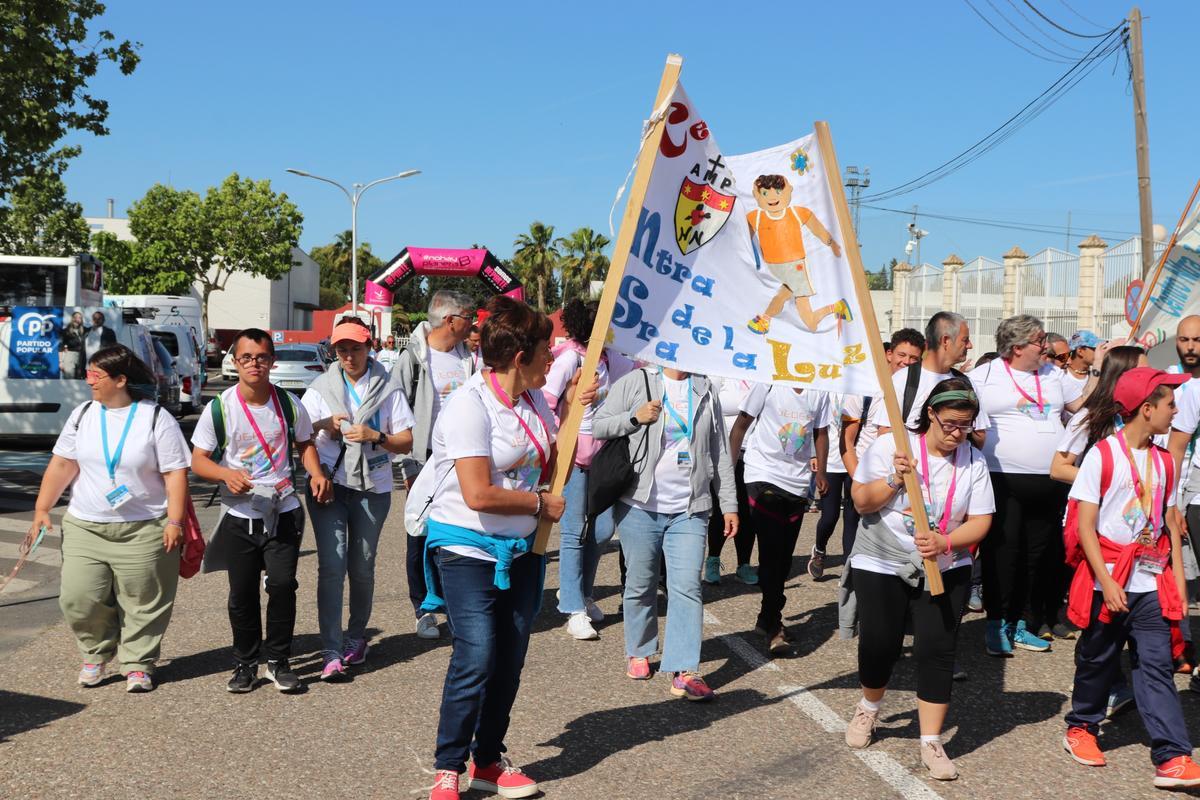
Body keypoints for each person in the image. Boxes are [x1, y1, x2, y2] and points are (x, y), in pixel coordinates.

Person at [411, 296, 564, 800]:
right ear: (521, 355)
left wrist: (586, 409)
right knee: (477, 654)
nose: (554, 357)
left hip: (521, 549)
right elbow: (478, 493)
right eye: (547, 349)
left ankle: (489, 760)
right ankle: (447, 766)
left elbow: (551, 454)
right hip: (466, 548)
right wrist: (538, 502)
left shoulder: (535, 399)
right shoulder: (468, 406)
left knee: (511, 656)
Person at [843, 378, 994, 781]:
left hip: (946, 561)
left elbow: (981, 521)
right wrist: (895, 479)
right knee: (880, 643)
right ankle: (869, 708)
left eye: (966, 425)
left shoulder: (973, 462)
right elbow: (861, 502)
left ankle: (931, 740)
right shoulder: (893, 445)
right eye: (950, 424)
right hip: (883, 556)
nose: (958, 433)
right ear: (930, 414)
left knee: (938, 649)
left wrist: (946, 541)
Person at [1061, 367, 1200, 789]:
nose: (1175, 412)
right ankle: (1081, 726)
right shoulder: (1102, 455)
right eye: (1170, 404)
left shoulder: (1165, 462)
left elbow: (1166, 527)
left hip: (1150, 580)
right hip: (1111, 578)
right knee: (1097, 659)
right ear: (1146, 408)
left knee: (1156, 666)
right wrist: (1107, 579)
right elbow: (1085, 526)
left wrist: (1176, 585)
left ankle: (1173, 756)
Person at [28, 344, 190, 692]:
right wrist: (42, 509)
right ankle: (96, 652)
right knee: (78, 597)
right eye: (87, 374)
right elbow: (62, 464)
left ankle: (139, 663)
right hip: (86, 526)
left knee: (144, 601)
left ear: (120, 379)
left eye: (95, 375)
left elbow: (175, 473)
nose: (89, 382)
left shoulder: (155, 417)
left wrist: (174, 522)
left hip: (144, 528)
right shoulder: (83, 413)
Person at [191, 328, 332, 694]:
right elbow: (199, 461)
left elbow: (305, 444)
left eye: (262, 357)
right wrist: (226, 474)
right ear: (235, 362)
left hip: (282, 509)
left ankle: (278, 661)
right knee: (242, 593)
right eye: (247, 358)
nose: (255, 364)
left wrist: (316, 473)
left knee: (283, 585)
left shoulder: (288, 404)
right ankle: (245, 663)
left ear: (272, 361)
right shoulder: (220, 407)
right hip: (240, 514)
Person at [593, 365, 737, 699]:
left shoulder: (705, 387)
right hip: (639, 506)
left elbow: (720, 450)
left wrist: (729, 503)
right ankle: (640, 648)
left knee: (688, 586)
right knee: (640, 583)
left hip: (690, 508)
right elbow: (598, 425)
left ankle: (685, 669)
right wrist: (634, 417)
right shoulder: (637, 381)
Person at [302, 321, 415, 681]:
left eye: (355, 348)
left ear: (369, 347)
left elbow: (407, 441)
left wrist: (375, 435)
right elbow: (301, 435)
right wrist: (325, 425)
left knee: (362, 567)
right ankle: (331, 649)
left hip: (373, 486)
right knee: (332, 567)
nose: (348, 356)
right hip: (330, 485)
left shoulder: (388, 387)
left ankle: (355, 637)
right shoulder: (320, 387)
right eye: (341, 350)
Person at [972, 315, 1086, 655]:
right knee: (1003, 554)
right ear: (1017, 347)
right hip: (1002, 476)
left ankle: (1020, 623)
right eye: (1039, 341)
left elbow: (1080, 407)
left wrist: (1100, 375)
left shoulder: (1054, 375)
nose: (1047, 346)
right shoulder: (984, 376)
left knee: (1037, 556)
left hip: (1051, 480)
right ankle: (995, 624)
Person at [541, 299, 634, 640]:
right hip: (573, 457)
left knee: (602, 530)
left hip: (605, 455)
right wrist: (559, 438)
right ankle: (572, 608)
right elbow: (546, 401)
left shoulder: (613, 358)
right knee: (572, 531)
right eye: (604, 324)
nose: (611, 329)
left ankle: (582, 593)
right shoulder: (570, 358)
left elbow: (640, 372)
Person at [396, 289, 477, 640]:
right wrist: (408, 465)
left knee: (458, 531)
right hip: (425, 458)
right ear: (450, 320)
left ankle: (455, 604)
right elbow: (396, 412)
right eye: (468, 317)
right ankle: (424, 609)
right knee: (420, 534)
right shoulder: (413, 357)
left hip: (462, 457)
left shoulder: (469, 358)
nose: (472, 324)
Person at [728, 384, 830, 654]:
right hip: (762, 476)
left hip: (797, 483)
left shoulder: (820, 389)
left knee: (783, 559)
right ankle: (774, 627)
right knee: (772, 554)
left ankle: (766, 616)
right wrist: (728, 472)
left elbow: (821, 433)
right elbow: (740, 426)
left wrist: (822, 471)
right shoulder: (768, 383)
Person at [743, 173, 851, 335]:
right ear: (757, 195)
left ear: (788, 192)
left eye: (778, 192)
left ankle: (765, 319)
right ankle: (836, 307)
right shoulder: (755, 217)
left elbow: (818, 230)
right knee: (810, 323)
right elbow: (743, 240)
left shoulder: (797, 213)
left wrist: (833, 245)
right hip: (771, 268)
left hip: (795, 266)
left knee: (782, 295)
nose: (772, 198)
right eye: (765, 193)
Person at [868, 313, 989, 449]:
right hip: (915, 468)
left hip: (955, 469)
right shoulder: (903, 379)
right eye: (965, 340)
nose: (970, 346)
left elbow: (979, 436)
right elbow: (885, 433)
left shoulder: (966, 383)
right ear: (945, 341)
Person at [704, 377, 758, 586]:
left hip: (754, 454)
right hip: (723, 453)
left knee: (748, 511)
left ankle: (744, 564)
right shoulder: (720, 374)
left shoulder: (759, 378)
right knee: (722, 509)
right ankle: (713, 559)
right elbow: (706, 408)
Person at [810, 390, 853, 579]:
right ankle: (819, 550)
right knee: (830, 516)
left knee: (852, 517)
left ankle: (847, 567)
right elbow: (813, 424)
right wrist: (814, 455)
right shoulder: (824, 389)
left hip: (854, 461)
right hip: (830, 462)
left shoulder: (859, 390)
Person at [1065, 330, 1103, 396]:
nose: (1099, 352)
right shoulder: (1062, 376)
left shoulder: (1096, 375)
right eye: (1095, 349)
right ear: (1080, 351)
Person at [60, 311, 86, 379]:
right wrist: (61, 362)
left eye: (79, 318)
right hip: (70, 356)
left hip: (81, 358)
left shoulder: (84, 331)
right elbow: (60, 347)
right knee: (69, 379)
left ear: (81, 320)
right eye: (75, 317)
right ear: (72, 319)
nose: (77, 320)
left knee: (79, 381)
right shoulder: (66, 331)